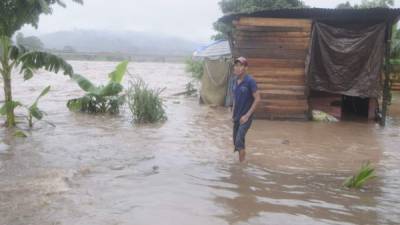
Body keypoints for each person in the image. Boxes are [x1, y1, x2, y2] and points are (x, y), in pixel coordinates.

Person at [232, 56, 260, 162]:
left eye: (241, 66)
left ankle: (241, 168)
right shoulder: (234, 81)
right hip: (236, 116)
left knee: (239, 141)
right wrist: (233, 113)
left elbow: (257, 99)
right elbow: (235, 97)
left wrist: (247, 115)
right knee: (236, 142)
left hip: (245, 117)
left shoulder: (250, 81)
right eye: (236, 65)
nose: (237, 68)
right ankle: (241, 163)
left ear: (246, 68)